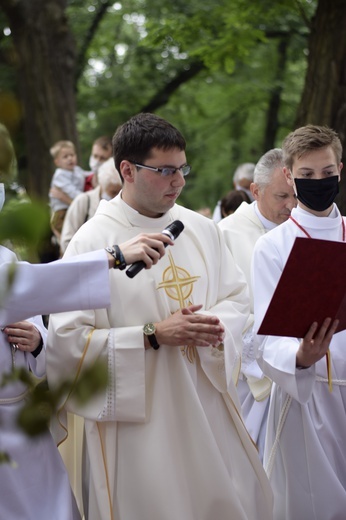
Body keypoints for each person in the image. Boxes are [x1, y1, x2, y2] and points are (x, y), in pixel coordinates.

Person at [47, 112, 273, 520]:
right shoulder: (92, 242)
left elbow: (238, 301)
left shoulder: (201, 229)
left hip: (205, 408)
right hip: (137, 432)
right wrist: (152, 335)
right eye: (165, 170)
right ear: (127, 170)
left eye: (182, 168)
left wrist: (213, 326)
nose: (179, 181)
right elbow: (67, 347)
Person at [0, 122, 174, 520]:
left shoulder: (4, 254)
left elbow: (39, 316)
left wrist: (38, 341)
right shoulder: (90, 235)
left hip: (23, 416)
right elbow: (22, 286)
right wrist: (111, 257)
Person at [252, 125, 345, 520]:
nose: (318, 182)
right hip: (305, 396)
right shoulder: (272, 246)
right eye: (306, 175)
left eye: (327, 173)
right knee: (314, 503)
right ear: (289, 175)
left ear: (340, 168)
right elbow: (266, 336)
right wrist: (301, 356)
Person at [219, 148, 297, 459]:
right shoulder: (224, 235)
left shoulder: (303, 228)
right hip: (248, 379)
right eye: (281, 197)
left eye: (295, 195)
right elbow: (221, 308)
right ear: (255, 191)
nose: (291, 206)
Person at [60, 158, 122, 253]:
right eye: (113, 192)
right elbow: (67, 241)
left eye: (120, 191)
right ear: (102, 185)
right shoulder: (83, 201)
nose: (116, 196)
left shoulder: (122, 205)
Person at [49, 140, 88, 242]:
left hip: (72, 206)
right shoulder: (60, 175)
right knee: (70, 238)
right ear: (57, 162)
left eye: (72, 155)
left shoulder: (77, 170)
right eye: (65, 157)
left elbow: (87, 174)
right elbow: (71, 191)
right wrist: (86, 198)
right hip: (61, 213)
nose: (70, 158)